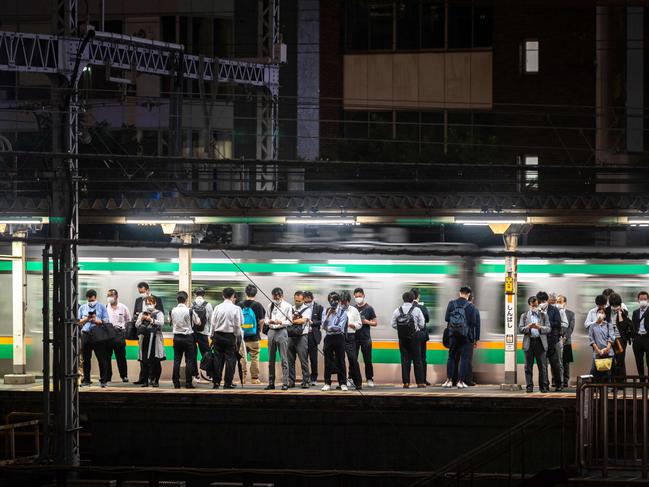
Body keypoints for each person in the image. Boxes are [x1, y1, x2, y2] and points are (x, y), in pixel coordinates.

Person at [442, 286, 478, 389]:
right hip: (466, 336)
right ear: (469, 294)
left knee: (451, 357)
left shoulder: (451, 303)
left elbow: (446, 318)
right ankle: (460, 382)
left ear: (459, 293)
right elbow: (473, 323)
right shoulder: (471, 307)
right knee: (464, 359)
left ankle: (448, 380)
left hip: (453, 335)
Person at [391, 290, 426, 388]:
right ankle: (420, 382)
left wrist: (402, 329)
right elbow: (422, 324)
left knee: (405, 360)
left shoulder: (397, 310)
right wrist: (415, 328)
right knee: (417, 360)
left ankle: (406, 382)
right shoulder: (417, 310)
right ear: (412, 299)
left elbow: (393, 324)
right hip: (414, 337)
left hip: (402, 338)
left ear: (403, 299)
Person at [211, 287, 243, 389]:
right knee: (230, 360)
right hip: (230, 337)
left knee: (217, 360)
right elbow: (239, 324)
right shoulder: (236, 309)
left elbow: (213, 323)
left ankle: (216, 382)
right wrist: (237, 335)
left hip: (218, 336)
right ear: (233, 296)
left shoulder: (217, 307)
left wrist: (212, 335)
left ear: (223, 296)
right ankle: (227, 383)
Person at [133, 282, 164, 385]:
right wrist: (140, 319)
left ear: (147, 289)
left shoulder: (157, 301)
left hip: (155, 336)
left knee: (155, 359)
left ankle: (154, 379)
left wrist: (151, 319)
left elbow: (161, 321)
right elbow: (135, 317)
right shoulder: (138, 301)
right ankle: (143, 379)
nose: (141, 294)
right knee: (144, 359)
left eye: (142, 291)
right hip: (143, 334)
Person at [78, 290, 110, 387]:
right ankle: (87, 380)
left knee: (101, 358)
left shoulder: (102, 307)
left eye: (92, 299)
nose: (90, 302)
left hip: (98, 335)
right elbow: (78, 321)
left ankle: (103, 380)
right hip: (86, 334)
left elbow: (106, 321)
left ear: (95, 297)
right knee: (86, 359)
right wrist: (87, 318)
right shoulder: (82, 307)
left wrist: (96, 320)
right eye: (89, 300)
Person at [519, 296, 550, 393]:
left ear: (538, 304)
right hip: (529, 343)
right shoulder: (524, 316)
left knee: (543, 367)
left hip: (540, 343)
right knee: (528, 366)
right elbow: (520, 329)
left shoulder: (544, 315)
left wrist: (539, 327)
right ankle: (529, 387)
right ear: (529, 305)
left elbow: (549, 329)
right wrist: (528, 327)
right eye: (532, 306)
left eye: (536, 305)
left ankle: (543, 387)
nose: (534, 307)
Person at [170, 291, 201, 389]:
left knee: (177, 360)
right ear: (186, 300)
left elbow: (170, 321)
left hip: (177, 338)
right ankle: (188, 383)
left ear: (177, 299)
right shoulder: (190, 311)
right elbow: (198, 322)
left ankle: (176, 382)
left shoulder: (172, 310)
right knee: (189, 361)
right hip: (188, 338)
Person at [264, 287, 293, 391]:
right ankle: (271, 383)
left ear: (282, 296)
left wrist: (281, 322)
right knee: (271, 360)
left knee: (284, 359)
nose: (277, 298)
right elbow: (266, 319)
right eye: (275, 296)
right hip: (271, 331)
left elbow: (290, 321)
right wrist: (270, 321)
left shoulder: (288, 306)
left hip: (282, 331)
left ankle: (285, 383)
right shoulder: (270, 305)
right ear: (272, 296)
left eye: (278, 296)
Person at [536, 291, 565, 392]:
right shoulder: (536, 311)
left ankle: (558, 384)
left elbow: (558, 323)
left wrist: (546, 322)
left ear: (547, 301)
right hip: (541, 341)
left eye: (544, 301)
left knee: (555, 364)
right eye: (540, 301)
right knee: (543, 365)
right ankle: (545, 385)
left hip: (553, 340)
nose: (542, 303)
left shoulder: (554, 310)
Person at [237, 284, 266, 385]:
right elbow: (262, 320)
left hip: (242, 338)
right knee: (255, 358)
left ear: (246, 293)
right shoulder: (258, 305)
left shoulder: (239, 304)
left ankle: (243, 378)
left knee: (242, 358)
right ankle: (254, 379)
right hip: (254, 337)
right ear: (255, 293)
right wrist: (260, 331)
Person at [321, 291, 349, 391]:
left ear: (339, 301)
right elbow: (323, 326)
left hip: (339, 338)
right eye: (331, 300)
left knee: (340, 360)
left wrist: (330, 327)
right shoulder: (326, 311)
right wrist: (328, 316)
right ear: (329, 300)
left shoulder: (343, 312)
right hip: (328, 338)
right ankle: (327, 383)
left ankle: (343, 383)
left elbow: (340, 328)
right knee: (327, 360)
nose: (333, 302)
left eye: (335, 299)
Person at [105, 288, 131, 383]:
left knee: (121, 357)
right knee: (106, 357)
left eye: (111, 295)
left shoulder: (123, 307)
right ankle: (108, 376)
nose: (109, 297)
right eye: (108, 295)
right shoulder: (105, 307)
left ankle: (124, 376)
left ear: (116, 296)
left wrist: (125, 333)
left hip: (119, 334)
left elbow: (128, 321)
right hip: (107, 335)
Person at [287, 291, 311, 389]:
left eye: (299, 300)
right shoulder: (290, 308)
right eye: (296, 300)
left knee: (303, 360)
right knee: (290, 361)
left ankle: (306, 381)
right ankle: (291, 381)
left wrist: (292, 320)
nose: (297, 302)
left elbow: (304, 320)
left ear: (303, 299)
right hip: (290, 336)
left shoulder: (307, 309)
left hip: (302, 337)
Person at [353, 288, 377, 388]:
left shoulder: (369, 308)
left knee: (368, 360)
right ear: (354, 297)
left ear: (363, 296)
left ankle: (369, 378)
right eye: (356, 296)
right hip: (353, 337)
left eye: (360, 296)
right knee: (353, 359)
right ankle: (351, 377)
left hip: (365, 338)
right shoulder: (352, 308)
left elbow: (375, 323)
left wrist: (367, 322)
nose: (358, 298)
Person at [341, 291, 363, 390]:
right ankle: (342, 383)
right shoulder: (337, 310)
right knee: (340, 360)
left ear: (349, 301)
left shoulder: (354, 310)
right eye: (342, 302)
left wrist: (353, 325)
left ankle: (358, 382)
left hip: (350, 336)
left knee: (353, 359)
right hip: (339, 336)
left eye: (345, 302)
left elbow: (359, 324)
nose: (343, 304)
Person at [191, 288, 213, 383]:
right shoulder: (208, 305)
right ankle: (209, 375)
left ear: (195, 294)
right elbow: (211, 321)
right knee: (207, 354)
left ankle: (196, 376)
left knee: (192, 355)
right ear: (204, 294)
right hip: (203, 334)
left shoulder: (191, 304)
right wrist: (211, 334)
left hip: (192, 333)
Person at [608, 292, 633, 377]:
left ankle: (621, 383)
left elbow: (624, 326)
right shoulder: (606, 311)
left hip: (620, 340)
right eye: (614, 305)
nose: (615, 307)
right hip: (609, 340)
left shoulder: (623, 311)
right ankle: (611, 381)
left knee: (620, 361)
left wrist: (620, 314)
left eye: (617, 305)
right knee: (610, 360)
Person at [411, 288, 431, 386]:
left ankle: (411, 380)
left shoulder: (406, 307)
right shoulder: (421, 307)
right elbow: (427, 319)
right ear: (418, 296)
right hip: (422, 335)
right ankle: (423, 379)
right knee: (422, 358)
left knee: (413, 358)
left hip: (410, 336)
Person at [588, 307, 615, 382]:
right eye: (599, 312)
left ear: (605, 315)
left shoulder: (608, 325)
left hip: (608, 352)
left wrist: (607, 349)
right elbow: (591, 340)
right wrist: (598, 350)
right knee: (594, 371)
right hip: (597, 353)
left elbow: (611, 338)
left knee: (607, 372)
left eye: (602, 313)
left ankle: (607, 388)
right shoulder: (592, 326)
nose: (600, 314)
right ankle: (593, 388)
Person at [304, 291, 324, 386]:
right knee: (304, 358)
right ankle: (306, 377)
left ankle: (314, 378)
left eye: (308, 300)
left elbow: (322, 321)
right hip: (303, 335)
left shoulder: (319, 308)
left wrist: (313, 322)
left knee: (313, 358)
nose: (307, 302)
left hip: (313, 335)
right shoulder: (301, 307)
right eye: (305, 300)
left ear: (312, 298)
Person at [556, 295, 575, 388]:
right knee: (555, 361)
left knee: (565, 362)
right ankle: (556, 380)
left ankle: (565, 380)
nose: (558, 303)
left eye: (560, 302)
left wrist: (565, 338)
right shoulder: (554, 312)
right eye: (557, 301)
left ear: (565, 303)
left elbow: (571, 328)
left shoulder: (571, 314)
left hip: (566, 341)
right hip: (555, 340)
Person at [632, 291, 649, 376]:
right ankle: (642, 382)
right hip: (638, 339)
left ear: (648, 300)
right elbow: (633, 325)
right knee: (639, 362)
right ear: (638, 300)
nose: (643, 301)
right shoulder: (635, 312)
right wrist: (634, 336)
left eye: (645, 299)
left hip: (647, 338)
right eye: (641, 299)